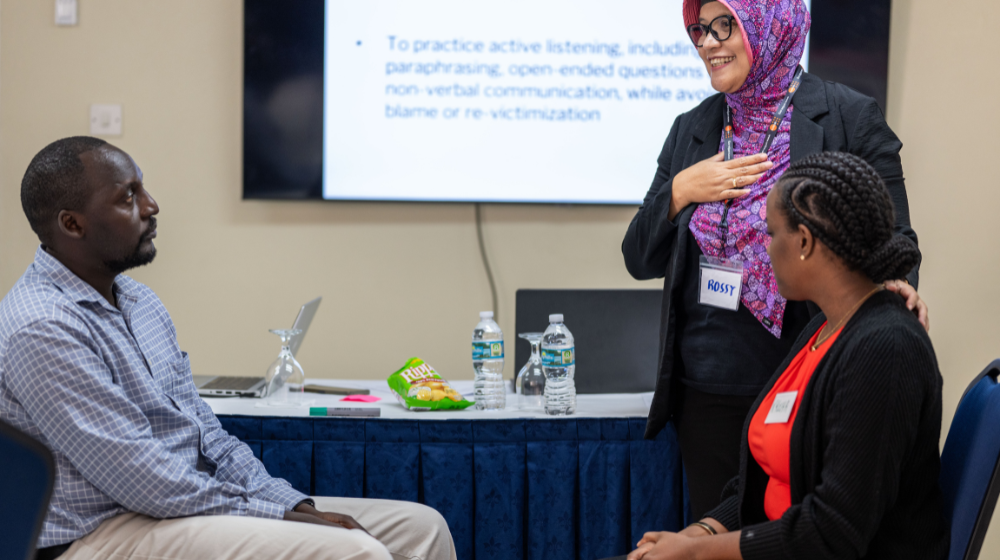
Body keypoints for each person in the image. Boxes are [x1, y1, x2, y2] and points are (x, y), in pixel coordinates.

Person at [0, 137, 457, 560]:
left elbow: (206, 434)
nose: (152, 205)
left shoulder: (139, 301)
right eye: (127, 196)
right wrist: (273, 514)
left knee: (423, 529)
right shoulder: (41, 326)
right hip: (96, 534)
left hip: (175, 505)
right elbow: (140, 475)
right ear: (72, 224)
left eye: (144, 188)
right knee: (357, 553)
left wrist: (284, 500)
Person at [621, 0, 928, 520]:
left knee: (795, 535)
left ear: (770, 24)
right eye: (700, 29)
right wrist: (679, 191)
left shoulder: (847, 117)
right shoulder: (692, 130)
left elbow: (895, 239)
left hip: (805, 377)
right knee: (714, 537)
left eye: (726, 25)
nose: (709, 42)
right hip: (707, 390)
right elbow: (638, 257)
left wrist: (894, 287)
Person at [619, 152, 950, 560]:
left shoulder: (886, 347)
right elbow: (763, 478)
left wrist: (696, 554)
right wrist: (699, 533)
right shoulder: (821, 329)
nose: (766, 249)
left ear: (805, 242)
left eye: (772, 234)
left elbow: (834, 532)